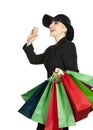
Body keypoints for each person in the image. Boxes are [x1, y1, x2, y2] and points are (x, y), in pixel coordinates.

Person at [23, 14, 79, 130]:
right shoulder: (50, 50)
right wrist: (29, 43)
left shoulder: (69, 46)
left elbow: (74, 73)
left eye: (56, 23)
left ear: (65, 29)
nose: (51, 25)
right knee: (43, 126)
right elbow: (34, 59)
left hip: (61, 97)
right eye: (51, 23)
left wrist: (62, 73)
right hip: (49, 94)